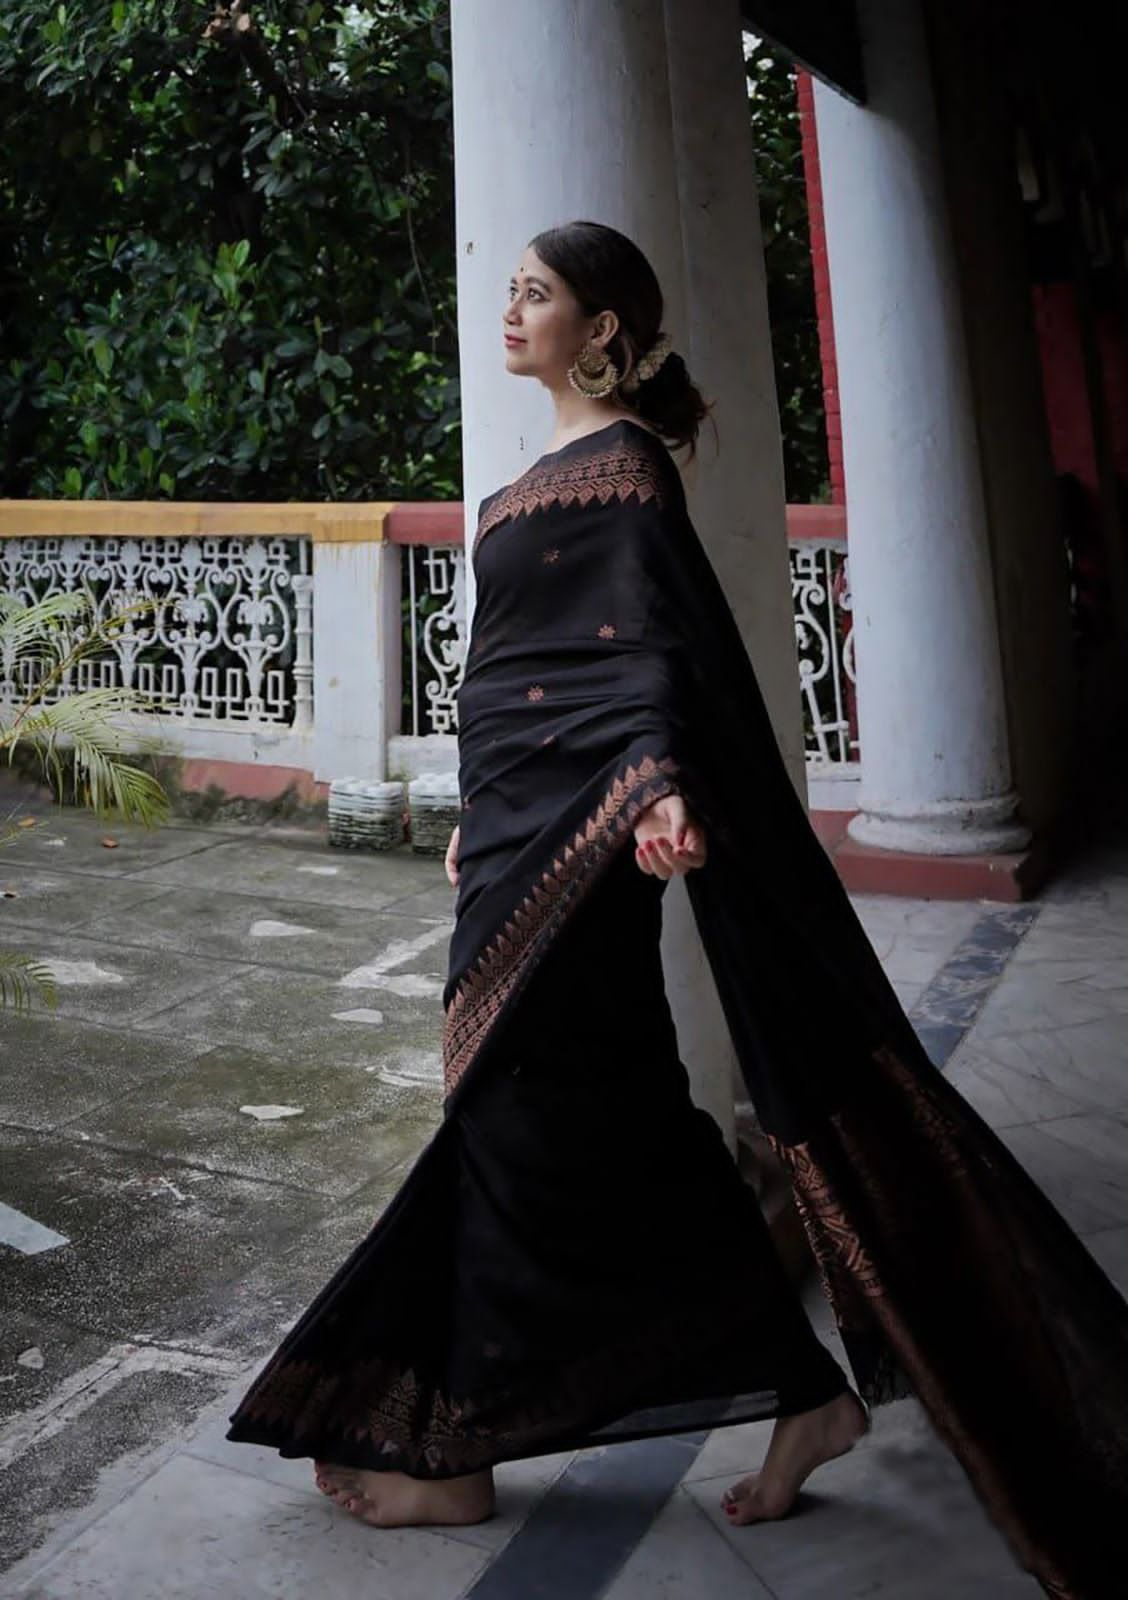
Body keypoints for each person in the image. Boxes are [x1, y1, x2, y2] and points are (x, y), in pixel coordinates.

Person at [227, 220, 1128, 1598]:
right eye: (511, 290)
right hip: (512, 842)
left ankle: (464, 1446)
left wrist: (652, 784)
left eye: (537, 293)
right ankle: (797, 1389)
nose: (510, 309)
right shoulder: (517, 488)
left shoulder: (626, 470)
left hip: (594, 850)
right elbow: (509, 671)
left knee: (512, 1115)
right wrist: (479, 805)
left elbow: (643, 647)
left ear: (602, 329)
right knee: (621, 1118)